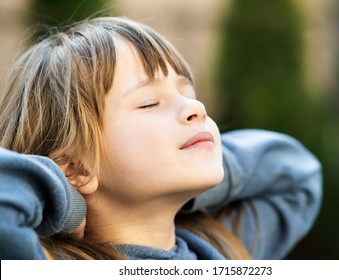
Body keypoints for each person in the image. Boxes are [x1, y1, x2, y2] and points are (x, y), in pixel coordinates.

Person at [0, 16, 322, 260]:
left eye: (187, 92)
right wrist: (66, 193)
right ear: (74, 166)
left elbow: (297, 175)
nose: (196, 107)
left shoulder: (221, 247)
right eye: (150, 103)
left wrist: (199, 168)